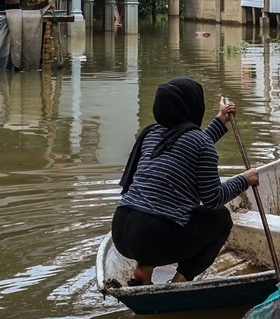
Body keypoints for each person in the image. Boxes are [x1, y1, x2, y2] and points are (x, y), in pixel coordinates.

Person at [111, 77, 259, 286]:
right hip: (153, 236)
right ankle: (180, 281)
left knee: (159, 210)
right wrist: (244, 180)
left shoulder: (151, 134)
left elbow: (190, 145)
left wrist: (220, 120)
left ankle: (144, 269)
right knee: (221, 218)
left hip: (121, 231)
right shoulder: (200, 144)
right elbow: (212, 199)